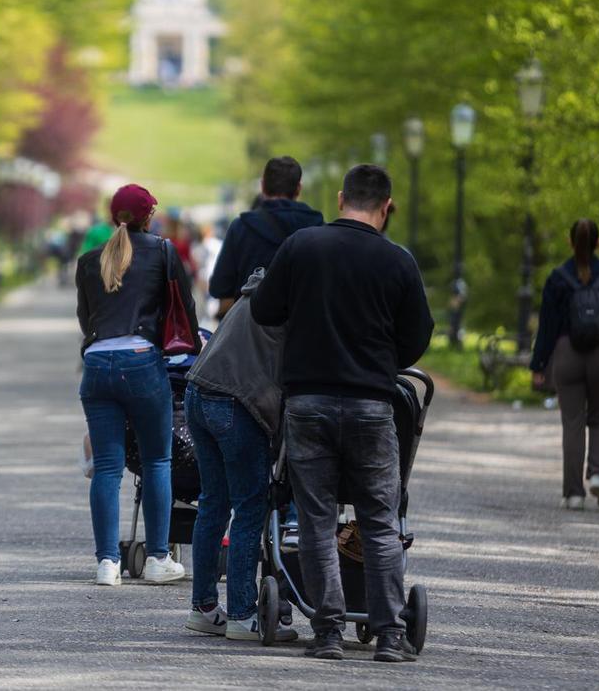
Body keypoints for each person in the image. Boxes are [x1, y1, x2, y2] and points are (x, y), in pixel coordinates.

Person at [252, 164, 433, 663]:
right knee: (379, 520)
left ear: (339, 199)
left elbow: (264, 310)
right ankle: (390, 636)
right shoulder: (398, 262)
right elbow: (417, 339)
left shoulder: (302, 247)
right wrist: (378, 357)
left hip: (307, 402)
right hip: (372, 405)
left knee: (316, 518)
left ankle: (328, 630)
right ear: (387, 206)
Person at [75, 183, 199, 586]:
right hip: (142, 362)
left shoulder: (89, 260)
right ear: (148, 216)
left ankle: (107, 564)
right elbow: (186, 307)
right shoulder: (162, 251)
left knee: (108, 467)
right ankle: (158, 557)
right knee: (156, 460)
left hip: (96, 365)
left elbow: (85, 318)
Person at [182, 270, 297, 643]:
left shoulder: (258, 290)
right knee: (250, 508)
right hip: (236, 401)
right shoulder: (295, 301)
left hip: (199, 389)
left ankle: (203, 609)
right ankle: (243, 615)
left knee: (213, 503)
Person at [530, 218, 599, 510]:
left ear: (571, 242)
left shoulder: (557, 278)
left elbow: (547, 326)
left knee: (573, 423)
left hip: (567, 353)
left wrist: (538, 364)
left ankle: (574, 493)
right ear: (598, 243)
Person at [209, 157, 323, 318]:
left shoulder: (241, 227)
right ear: (298, 189)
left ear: (262, 186)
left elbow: (221, 289)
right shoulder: (318, 227)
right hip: (303, 331)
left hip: (252, 333)